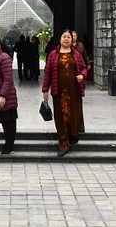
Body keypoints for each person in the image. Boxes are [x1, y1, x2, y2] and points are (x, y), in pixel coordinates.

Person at [42, 29, 87, 157]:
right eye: (64, 37)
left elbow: (84, 68)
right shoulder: (53, 55)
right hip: (58, 92)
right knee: (60, 117)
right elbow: (48, 74)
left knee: (74, 115)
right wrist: (45, 90)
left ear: (72, 40)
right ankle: (63, 143)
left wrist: (82, 76)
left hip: (74, 91)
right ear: (60, 39)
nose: (66, 39)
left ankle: (73, 135)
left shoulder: (76, 55)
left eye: (68, 37)